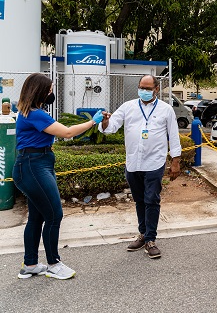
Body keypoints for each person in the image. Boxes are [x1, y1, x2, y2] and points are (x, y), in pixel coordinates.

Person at [14, 73, 104, 280]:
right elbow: (67, 133)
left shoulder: (30, 111)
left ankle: (30, 264)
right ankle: (54, 264)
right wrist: (93, 122)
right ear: (40, 91)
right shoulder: (36, 114)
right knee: (54, 215)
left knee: (37, 217)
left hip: (35, 164)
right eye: (50, 89)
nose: (51, 92)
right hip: (34, 166)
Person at [98, 75, 181, 259]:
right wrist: (104, 122)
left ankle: (151, 239)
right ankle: (143, 234)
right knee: (140, 200)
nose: (143, 91)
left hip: (155, 162)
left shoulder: (166, 110)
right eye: (141, 87)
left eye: (147, 88)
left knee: (152, 199)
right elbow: (110, 127)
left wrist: (176, 161)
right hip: (133, 162)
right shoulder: (128, 107)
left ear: (156, 89)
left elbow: (173, 137)